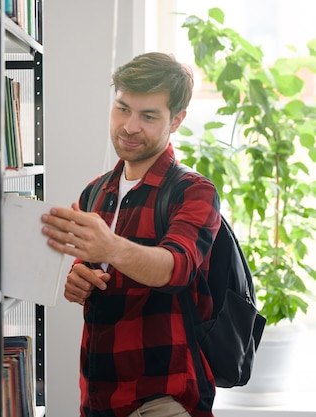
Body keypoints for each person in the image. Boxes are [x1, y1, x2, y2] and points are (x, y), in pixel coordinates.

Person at [40, 52, 222, 417]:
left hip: (161, 401)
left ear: (177, 121)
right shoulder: (95, 191)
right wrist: (77, 278)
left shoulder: (194, 191)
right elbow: (85, 273)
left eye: (148, 116)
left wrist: (112, 247)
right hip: (98, 397)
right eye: (122, 109)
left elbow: (176, 267)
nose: (129, 126)